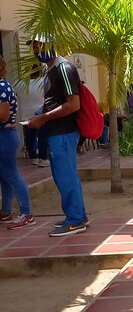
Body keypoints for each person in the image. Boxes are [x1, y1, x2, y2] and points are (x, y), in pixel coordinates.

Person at [27, 37, 89, 236]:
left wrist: (44, 117)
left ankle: (75, 221)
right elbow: (56, 101)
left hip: (63, 132)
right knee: (66, 175)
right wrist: (40, 115)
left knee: (65, 176)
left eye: (41, 45)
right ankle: (78, 215)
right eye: (35, 46)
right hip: (56, 132)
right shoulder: (50, 70)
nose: (38, 49)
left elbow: (73, 104)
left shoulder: (64, 69)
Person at [0, 56, 35, 229]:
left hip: (4, 136)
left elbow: (3, 115)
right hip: (6, 135)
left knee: (12, 175)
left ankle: (26, 213)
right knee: (5, 177)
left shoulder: (1, 88)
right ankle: (6, 211)